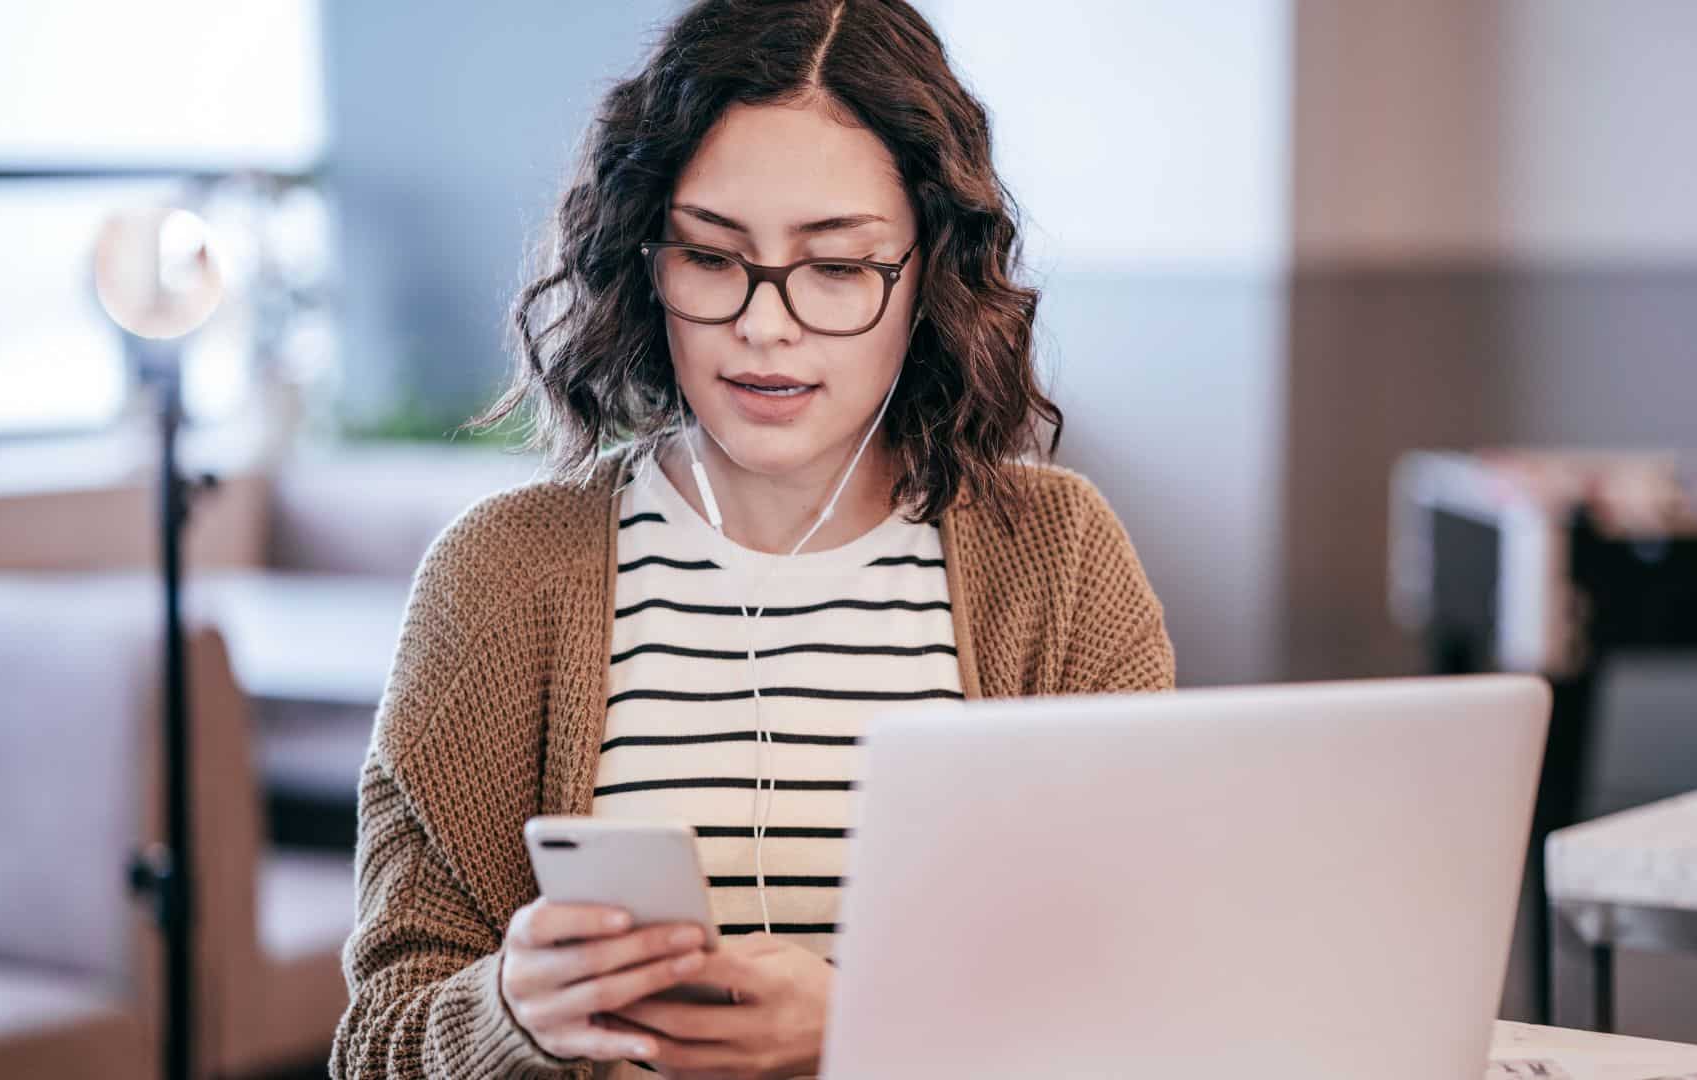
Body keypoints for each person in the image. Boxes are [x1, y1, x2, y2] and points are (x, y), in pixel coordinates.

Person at [329, 1, 1174, 1076]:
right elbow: (377, 1048)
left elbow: (1144, 994)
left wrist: (872, 1022)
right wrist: (509, 1015)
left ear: (927, 275)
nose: (763, 325)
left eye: (837, 266)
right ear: (646, 259)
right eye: (712, 257)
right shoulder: (500, 574)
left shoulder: (1058, 562)